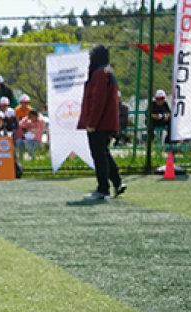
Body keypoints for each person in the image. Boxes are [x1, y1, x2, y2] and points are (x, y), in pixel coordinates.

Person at [78, 44, 125, 201]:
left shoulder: (100, 74)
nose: (89, 58)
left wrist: (92, 122)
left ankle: (103, 189)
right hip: (105, 121)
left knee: (98, 155)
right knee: (103, 153)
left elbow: (98, 100)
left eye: (92, 55)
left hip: (100, 123)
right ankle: (117, 182)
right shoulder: (106, 71)